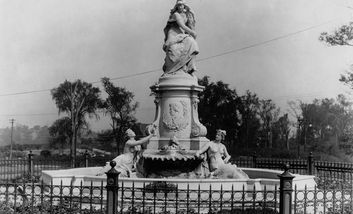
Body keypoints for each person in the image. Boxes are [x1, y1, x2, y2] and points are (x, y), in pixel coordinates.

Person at [162, 0, 199, 75]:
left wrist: (192, 16)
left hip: (181, 35)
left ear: (184, 6)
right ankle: (173, 69)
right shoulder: (176, 14)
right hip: (173, 35)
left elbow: (190, 26)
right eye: (178, 5)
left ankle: (190, 68)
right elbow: (182, 26)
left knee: (192, 42)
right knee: (176, 47)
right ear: (176, 6)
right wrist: (192, 33)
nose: (180, 7)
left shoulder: (186, 15)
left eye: (181, 5)